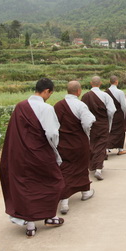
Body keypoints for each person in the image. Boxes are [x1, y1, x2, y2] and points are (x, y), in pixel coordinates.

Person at [0, 77, 65, 237]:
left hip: (21, 155)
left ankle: (30, 225)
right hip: (41, 154)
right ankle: (51, 216)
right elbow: (52, 134)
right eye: (50, 93)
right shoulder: (46, 108)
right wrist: (54, 149)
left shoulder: (20, 106)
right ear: (46, 91)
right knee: (54, 182)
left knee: (27, 187)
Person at [54, 80, 96, 215]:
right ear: (79, 91)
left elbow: (53, 125)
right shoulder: (80, 105)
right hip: (79, 142)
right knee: (81, 166)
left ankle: (66, 200)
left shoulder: (58, 106)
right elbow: (87, 123)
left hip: (63, 143)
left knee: (65, 169)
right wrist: (86, 135)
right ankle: (83, 193)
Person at [81, 76, 116, 181]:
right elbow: (112, 110)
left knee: (91, 144)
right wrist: (108, 119)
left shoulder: (85, 96)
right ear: (100, 84)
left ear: (91, 83)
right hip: (102, 124)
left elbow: (82, 112)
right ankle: (98, 169)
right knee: (101, 145)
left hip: (90, 125)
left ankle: (92, 166)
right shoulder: (105, 96)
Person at [106, 75, 126, 156]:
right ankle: (120, 149)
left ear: (110, 82)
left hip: (109, 114)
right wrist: (124, 114)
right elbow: (124, 105)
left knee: (110, 130)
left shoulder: (106, 92)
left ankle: (107, 148)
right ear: (116, 82)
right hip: (118, 114)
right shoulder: (120, 92)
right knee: (120, 131)